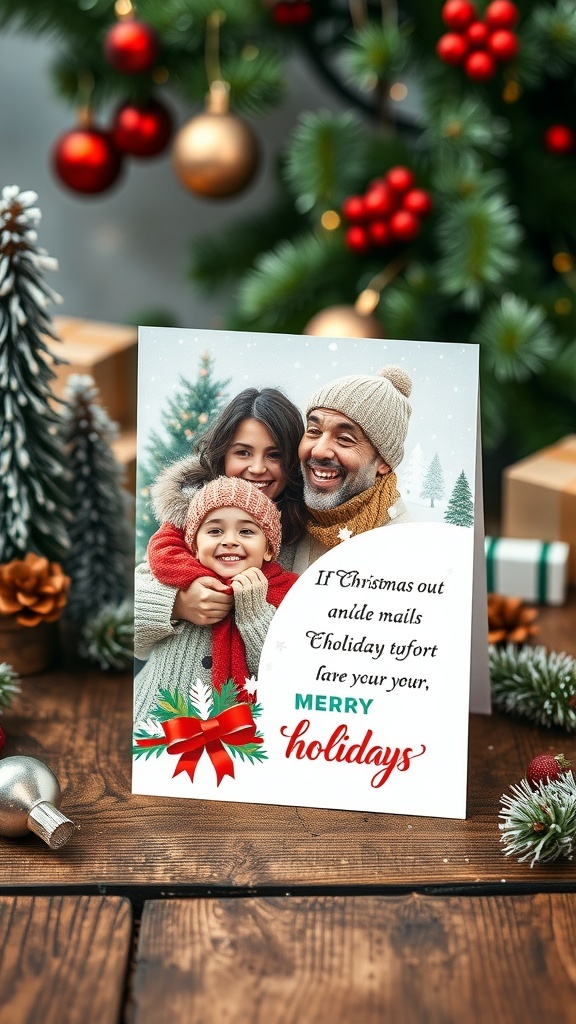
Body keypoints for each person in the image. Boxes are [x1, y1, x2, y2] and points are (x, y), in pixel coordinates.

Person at [134, 387, 306, 658]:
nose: (258, 468)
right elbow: (128, 629)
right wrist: (177, 604)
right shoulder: (190, 517)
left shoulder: (304, 534)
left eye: (274, 455)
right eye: (243, 453)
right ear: (223, 453)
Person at [134, 476, 298, 721]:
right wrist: (175, 605)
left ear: (268, 549)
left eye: (246, 531)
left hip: (234, 741)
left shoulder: (286, 595)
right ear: (195, 545)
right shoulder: (167, 574)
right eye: (214, 530)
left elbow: (282, 673)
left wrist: (255, 615)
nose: (230, 540)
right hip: (152, 724)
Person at [291, 364, 414, 574]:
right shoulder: (287, 520)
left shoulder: (406, 549)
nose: (319, 451)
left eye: (344, 439)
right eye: (314, 431)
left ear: (384, 463)